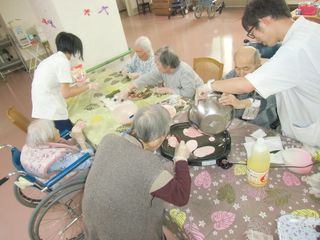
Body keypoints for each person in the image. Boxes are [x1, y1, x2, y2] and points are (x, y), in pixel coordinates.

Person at [196, 0, 320, 147]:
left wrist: (209, 86)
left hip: (311, 126)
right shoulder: (309, 28)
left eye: (252, 32)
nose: (256, 39)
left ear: (265, 20)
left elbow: (246, 85)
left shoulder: (294, 50)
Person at [82, 104, 191, 239]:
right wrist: (181, 158)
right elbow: (181, 196)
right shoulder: (150, 165)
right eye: (164, 135)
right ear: (156, 139)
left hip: (93, 229)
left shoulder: (108, 139)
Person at [31, 32, 100, 133]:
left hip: (41, 109)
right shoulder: (63, 62)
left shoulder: (51, 59)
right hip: (51, 112)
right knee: (70, 135)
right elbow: (66, 93)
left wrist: (77, 85)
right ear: (73, 48)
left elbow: (58, 86)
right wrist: (88, 86)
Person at [220, 46, 278, 128]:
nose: (241, 73)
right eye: (237, 68)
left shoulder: (267, 79)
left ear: (258, 65)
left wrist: (239, 103)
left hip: (263, 127)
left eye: (246, 68)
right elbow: (220, 88)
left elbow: (260, 103)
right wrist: (222, 95)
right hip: (238, 123)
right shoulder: (233, 74)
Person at [119, 46, 203, 99]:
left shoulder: (185, 71)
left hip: (197, 97)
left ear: (168, 65)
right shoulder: (163, 70)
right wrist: (129, 88)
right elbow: (147, 77)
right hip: (178, 96)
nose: (156, 66)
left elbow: (189, 93)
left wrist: (168, 90)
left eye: (157, 63)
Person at [20, 119, 93, 181]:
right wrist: (81, 140)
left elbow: (68, 146)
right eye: (55, 129)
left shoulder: (38, 144)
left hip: (43, 168)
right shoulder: (57, 158)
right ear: (49, 137)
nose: (58, 130)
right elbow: (87, 162)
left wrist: (73, 138)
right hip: (67, 175)